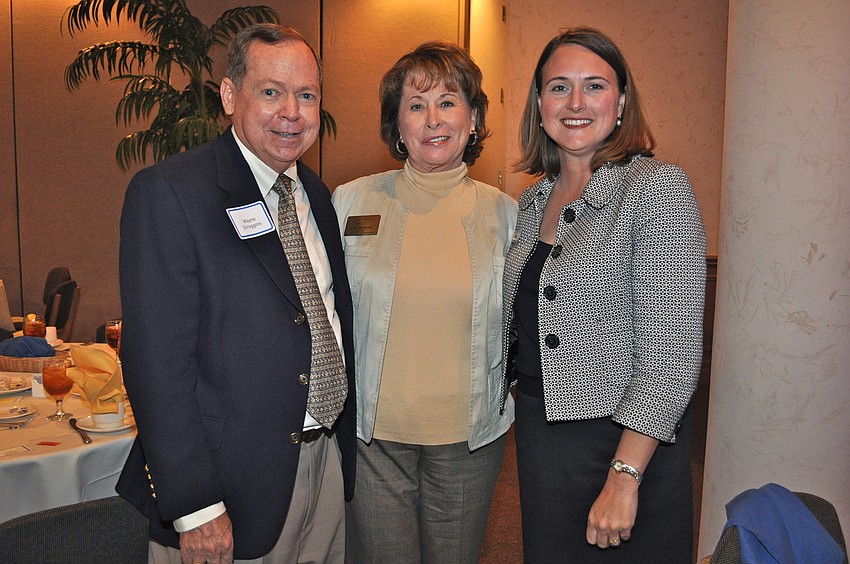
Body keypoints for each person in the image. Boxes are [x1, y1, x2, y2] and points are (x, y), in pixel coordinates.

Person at [116, 24, 356, 564]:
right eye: (271, 92)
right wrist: (196, 507)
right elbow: (157, 363)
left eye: (307, 95)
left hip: (322, 463)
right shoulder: (171, 193)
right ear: (230, 96)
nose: (291, 111)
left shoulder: (314, 194)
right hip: (228, 487)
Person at [502, 27, 706, 563]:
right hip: (543, 439)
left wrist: (623, 478)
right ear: (539, 104)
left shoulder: (655, 189)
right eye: (558, 87)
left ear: (620, 104)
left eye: (594, 86)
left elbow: (674, 357)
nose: (575, 103)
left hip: (626, 443)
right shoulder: (531, 202)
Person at [332, 41, 517, 564]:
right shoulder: (349, 202)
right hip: (374, 441)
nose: (433, 118)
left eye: (448, 101)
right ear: (397, 125)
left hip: (470, 442)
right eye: (416, 105)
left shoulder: (507, 217)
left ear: (474, 117)